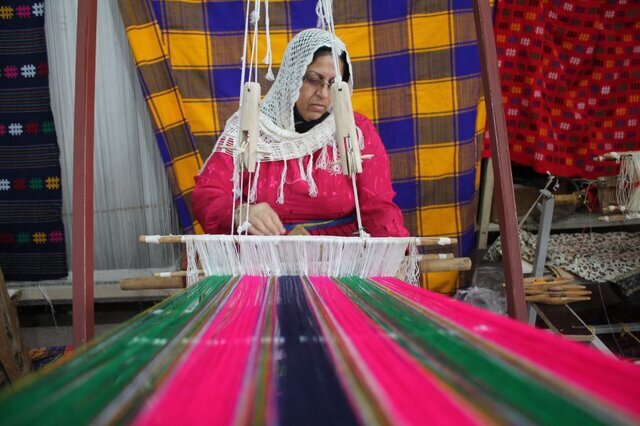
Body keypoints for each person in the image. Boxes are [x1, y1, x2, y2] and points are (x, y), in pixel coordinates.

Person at [192, 29, 408, 237]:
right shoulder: (250, 128)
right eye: (314, 79)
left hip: (340, 258)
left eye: (333, 84)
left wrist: (396, 252)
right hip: (264, 258)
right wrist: (239, 212)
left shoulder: (353, 130)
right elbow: (207, 194)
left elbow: (378, 205)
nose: (323, 93)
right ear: (291, 77)